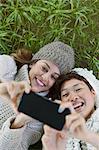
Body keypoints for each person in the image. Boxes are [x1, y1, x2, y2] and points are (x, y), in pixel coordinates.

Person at [0, 41, 74, 150]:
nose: (45, 77)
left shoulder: (39, 118)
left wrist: (19, 122)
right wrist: (5, 88)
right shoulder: (9, 67)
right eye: (44, 68)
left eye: (53, 77)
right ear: (33, 63)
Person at [42, 68, 99, 150]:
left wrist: (88, 136)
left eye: (78, 89)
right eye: (65, 94)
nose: (73, 97)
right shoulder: (60, 135)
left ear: (93, 93)